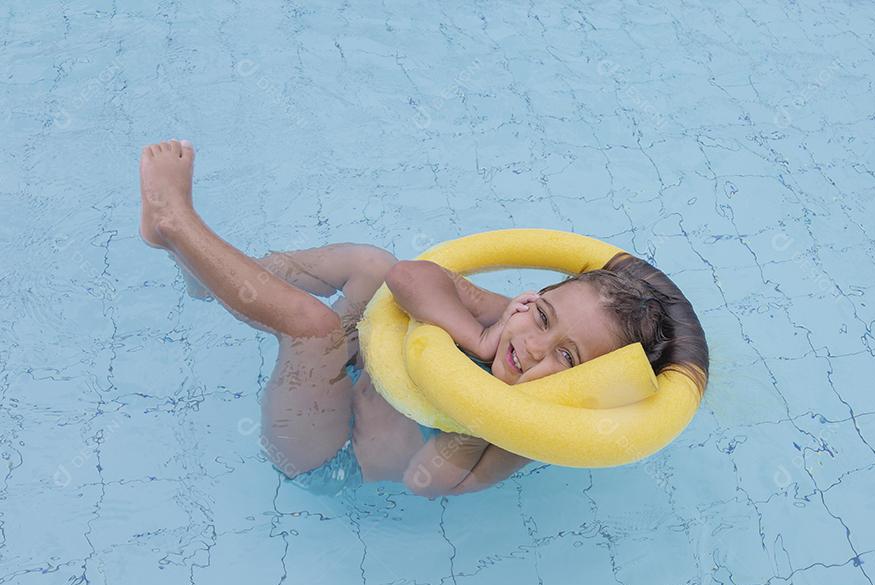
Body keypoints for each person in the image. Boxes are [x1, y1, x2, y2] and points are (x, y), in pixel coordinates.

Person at [138, 139, 709, 497]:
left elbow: (428, 482)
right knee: (370, 262)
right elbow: (409, 277)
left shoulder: (523, 436)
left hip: (328, 454)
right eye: (543, 318)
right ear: (529, 300)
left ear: (585, 386)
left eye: (567, 357)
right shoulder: (503, 325)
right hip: (364, 372)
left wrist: (483, 414)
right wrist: (477, 333)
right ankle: (203, 272)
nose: (534, 346)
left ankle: (176, 224)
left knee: (310, 328)